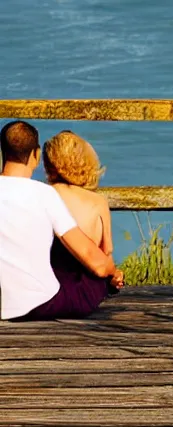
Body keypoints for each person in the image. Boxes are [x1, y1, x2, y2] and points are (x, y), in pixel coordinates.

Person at [0, 120, 121, 321]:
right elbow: (93, 258)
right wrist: (112, 271)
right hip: (39, 304)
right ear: (36, 155)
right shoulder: (44, 194)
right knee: (95, 280)